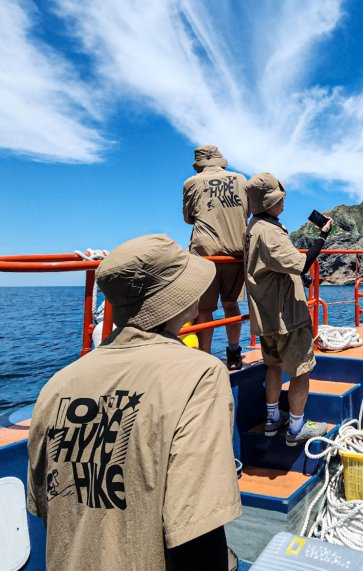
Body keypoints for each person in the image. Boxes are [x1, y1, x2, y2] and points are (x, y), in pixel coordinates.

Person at [27, 234, 242, 570]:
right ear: (179, 298)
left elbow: (48, 505)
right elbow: (197, 530)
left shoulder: (57, 385)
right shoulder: (200, 375)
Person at [244, 172, 333, 446]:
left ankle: (272, 419)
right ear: (268, 202)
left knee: (273, 366)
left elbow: (273, 267)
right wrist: (322, 237)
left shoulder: (253, 227)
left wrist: (297, 277)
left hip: (267, 314)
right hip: (288, 317)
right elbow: (301, 263)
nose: (284, 201)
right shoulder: (269, 232)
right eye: (280, 198)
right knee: (301, 370)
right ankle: (296, 428)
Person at [183, 144, 249, 370]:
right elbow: (246, 212)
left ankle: (205, 358)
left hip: (206, 255)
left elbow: (189, 218)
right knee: (230, 304)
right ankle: (234, 353)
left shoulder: (191, 183)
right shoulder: (241, 180)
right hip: (236, 253)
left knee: (204, 309)